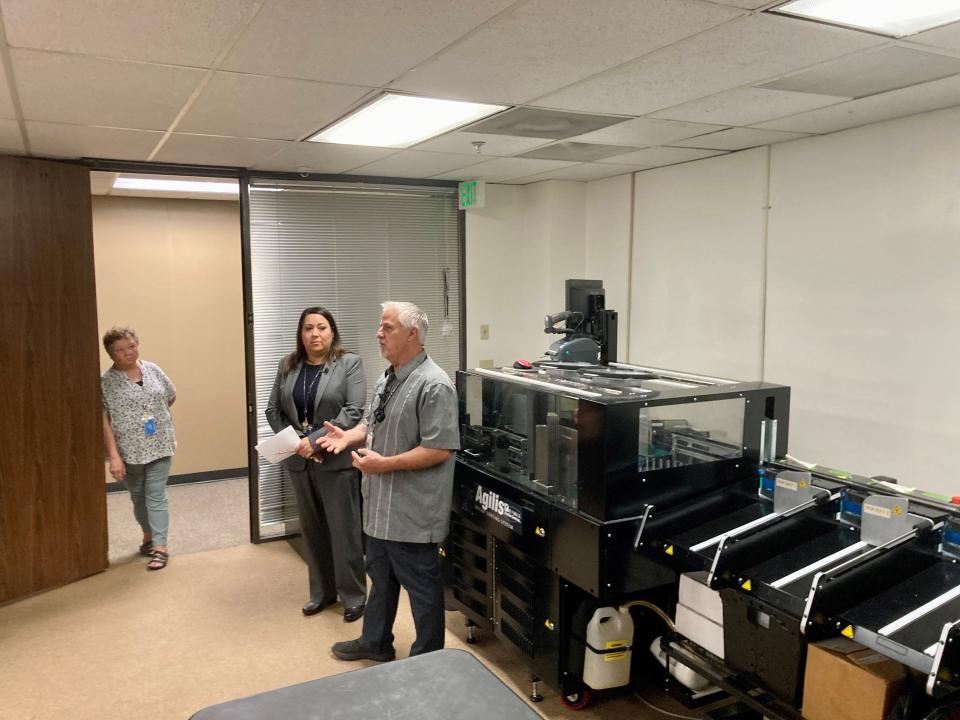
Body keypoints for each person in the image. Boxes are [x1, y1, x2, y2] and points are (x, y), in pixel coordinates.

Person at [319, 301, 460, 662]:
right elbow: (371, 424)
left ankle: (429, 659)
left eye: (388, 327)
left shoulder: (434, 385)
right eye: (380, 327)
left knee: (423, 589)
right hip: (380, 506)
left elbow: (440, 449)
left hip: (412, 512)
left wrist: (386, 465)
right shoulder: (388, 376)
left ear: (412, 334)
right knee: (381, 581)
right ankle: (375, 641)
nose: (378, 334)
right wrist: (348, 437)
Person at [265, 306, 367, 622]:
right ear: (301, 334)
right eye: (308, 328)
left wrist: (315, 439)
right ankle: (321, 592)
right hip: (300, 460)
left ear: (332, 332)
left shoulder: (349, 364)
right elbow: (273, 410)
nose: (315, 334)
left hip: (336, 459)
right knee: (312, 530)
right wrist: (298, 443)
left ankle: (353, 595)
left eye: (321, 327)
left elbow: (353, 410)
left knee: (344, 529)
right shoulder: (288, 365)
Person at [101, 327, 177, 571]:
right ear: (111, 354)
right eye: (120, 350)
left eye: (131, 346)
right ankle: (148, 536)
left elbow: (170, 395)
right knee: (138, 497)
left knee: (155, 495)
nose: (128, 353)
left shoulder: (152, 369)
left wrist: (156, 417)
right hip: (128, 450)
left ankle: (160, 547)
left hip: (160, 444)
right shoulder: (105, 383)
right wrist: (114, 456)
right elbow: (103, 421)